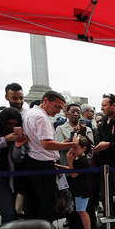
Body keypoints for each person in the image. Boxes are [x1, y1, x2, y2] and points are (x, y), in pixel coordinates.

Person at [21, 90, 79, 221]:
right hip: (41, 164)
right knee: (46, 203)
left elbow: (41, 142)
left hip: (33, 161)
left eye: (61, 108)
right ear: (46, 101)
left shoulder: (30, 113)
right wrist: (72, 145)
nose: (59, 111)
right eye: (57, 106)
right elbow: (47, 144)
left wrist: (60, 144)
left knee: (34, 203)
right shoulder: (41, 117)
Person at [67, 136, 94, 229]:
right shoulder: (79, 159)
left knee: (82, 211)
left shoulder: (83, 160)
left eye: (76, 148)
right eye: (72, 147)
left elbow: (73, 174)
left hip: (83, 189)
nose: (73, 150)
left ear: (83, 149)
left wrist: (69, 160)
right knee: (80, 210)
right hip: (80, 189)